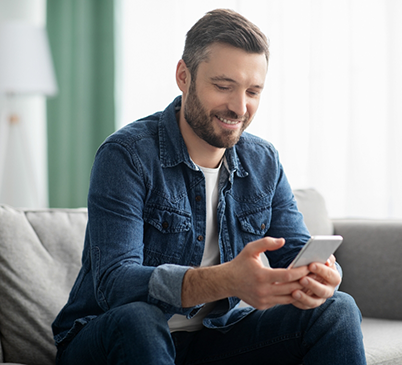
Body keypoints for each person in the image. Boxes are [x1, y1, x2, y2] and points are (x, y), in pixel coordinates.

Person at [52, 8, 366, 365]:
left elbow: (296, 252)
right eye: (223, 86)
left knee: (337, 308)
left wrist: (323, 277)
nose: (239, 107)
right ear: (184, 76)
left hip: (214, 339)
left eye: (253, 91)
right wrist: (224, 280)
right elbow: (115, 284)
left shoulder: (262, 161)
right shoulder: (126, 155)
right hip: (109, 337)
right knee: (139, 319)